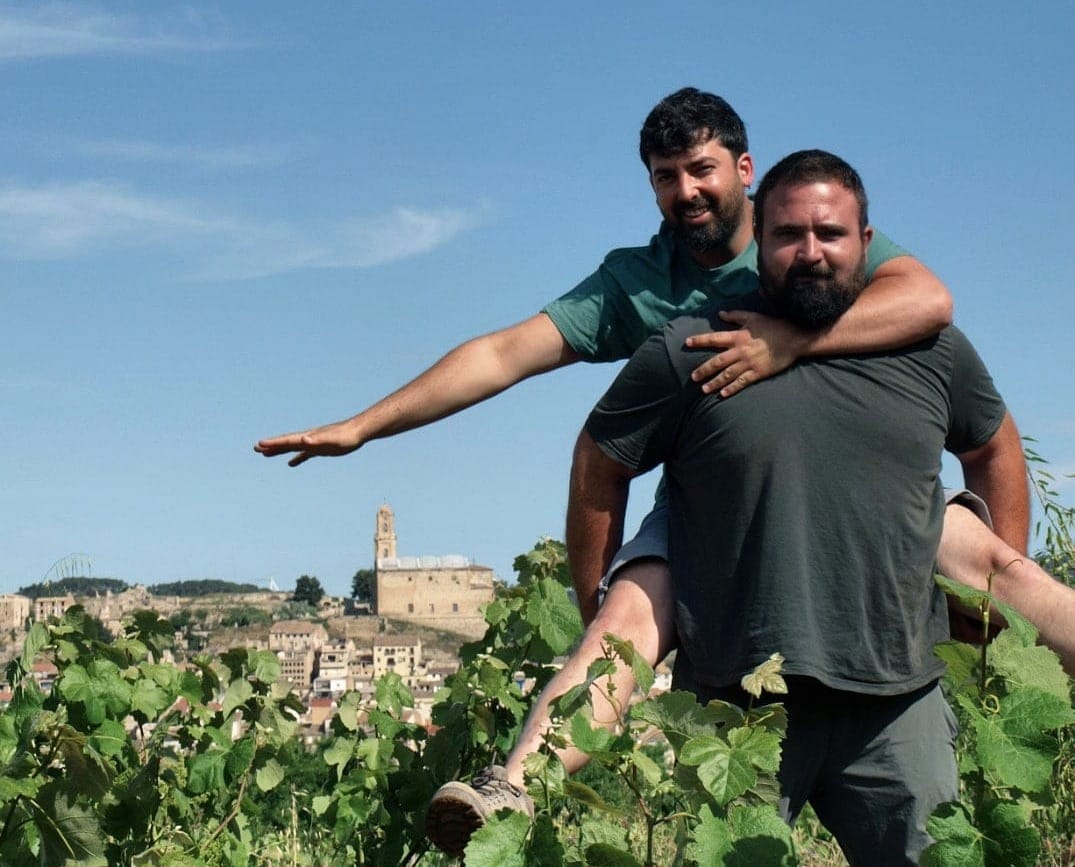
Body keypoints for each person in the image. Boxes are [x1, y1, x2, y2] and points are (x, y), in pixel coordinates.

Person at [254, 89, 1024, 853]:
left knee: (989, 562)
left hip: (858, 484)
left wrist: (789, 341)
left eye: (700, 168)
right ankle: (516, 784)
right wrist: (362, 426)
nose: (685, 191)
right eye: (664, 175)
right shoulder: (640, 283)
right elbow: (502, 355)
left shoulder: (802, 233)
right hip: (715, 491)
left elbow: (929, 299)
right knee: (624, 615)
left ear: (742, 168)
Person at [566, 149, 1019, 863]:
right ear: (757, 237)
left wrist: (988, 598)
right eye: (787, 235)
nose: (809, 252)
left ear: (865, 243)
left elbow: (993, 447)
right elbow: (599, 461)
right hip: (737, 702)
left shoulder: (929, 350)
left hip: (896, 699)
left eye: (829, 234)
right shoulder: (693, 349)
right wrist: (598, 601)